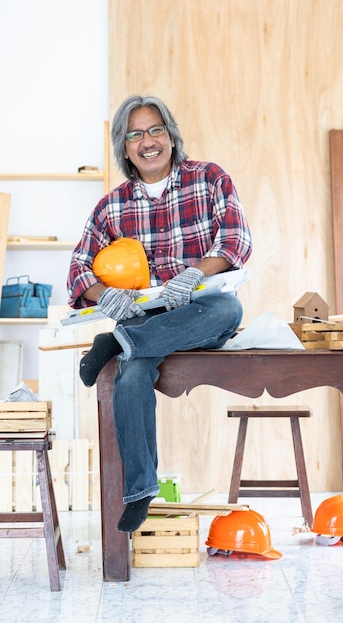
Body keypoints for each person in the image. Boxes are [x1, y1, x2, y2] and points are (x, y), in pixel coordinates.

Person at [67, 95, 252, 532]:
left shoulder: (208, 179)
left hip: (199, 308)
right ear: (124, 147)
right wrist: (103, 294)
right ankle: (140, 491)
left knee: (229, 308)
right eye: (135, 134)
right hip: (145, 318)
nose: (147, 141)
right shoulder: (111, 205)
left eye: (155, 130)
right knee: (130, 378)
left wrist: (195, 273)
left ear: (170, 135)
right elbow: (78, 266)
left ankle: (116, 342)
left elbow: (235, 241)